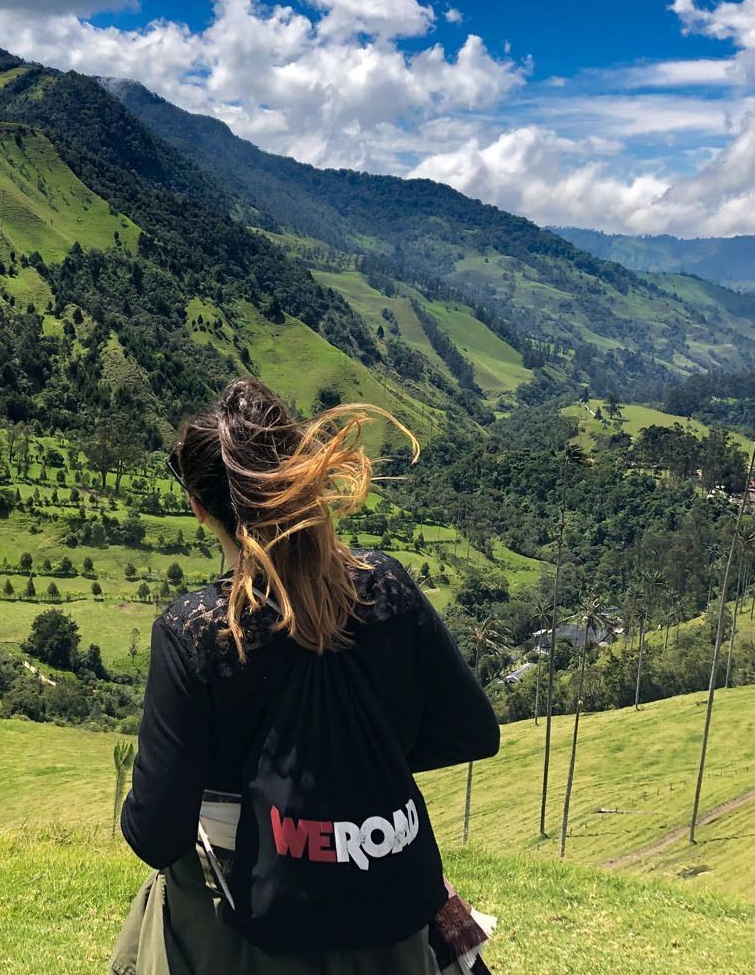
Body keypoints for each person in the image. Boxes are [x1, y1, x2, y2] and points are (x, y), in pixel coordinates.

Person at [113, 378, 500, 974]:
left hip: (246, 931)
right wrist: (352, 772)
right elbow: (474, 731)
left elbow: (156, 837)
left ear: (199, 507)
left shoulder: (198, 633)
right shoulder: (385, 588)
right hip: (387, 920)